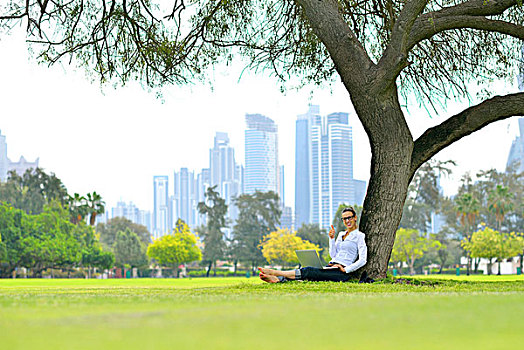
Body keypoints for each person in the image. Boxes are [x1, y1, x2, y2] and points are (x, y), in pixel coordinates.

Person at [259, 207, 367, 283]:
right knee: (305, 267)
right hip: (331, 266)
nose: (347, 221)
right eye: (344, 219)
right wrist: (332, 239)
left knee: (310, 271)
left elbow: (363, 260)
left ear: (355, 218)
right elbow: (333, 255)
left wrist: (346, 269)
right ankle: (279, 280)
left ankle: (275, 273)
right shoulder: (341, 234)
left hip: (341, 272)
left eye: (349, 218)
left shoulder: (359, 236)